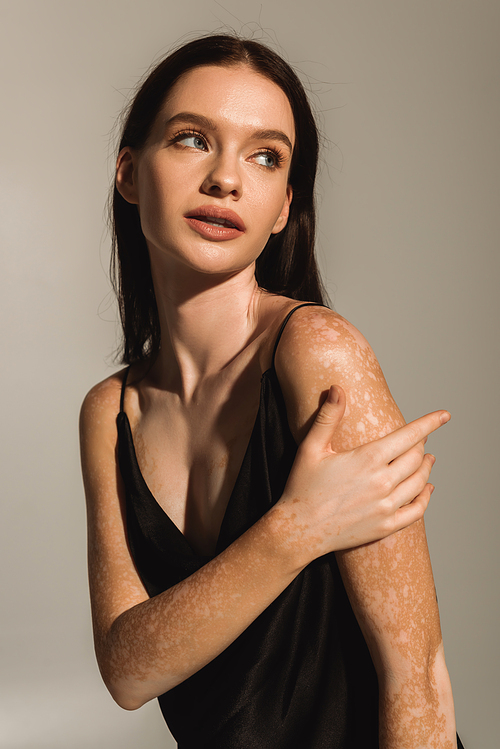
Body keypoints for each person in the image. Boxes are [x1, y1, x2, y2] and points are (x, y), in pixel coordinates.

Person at [80, 34, 464, 748]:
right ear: (129, 172)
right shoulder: (110, 412)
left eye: (265, 156)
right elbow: (127, 671)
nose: (227, 178)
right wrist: (297, 529)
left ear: (284, 206)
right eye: (193, 139)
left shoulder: (319, 352)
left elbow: (418, 673)